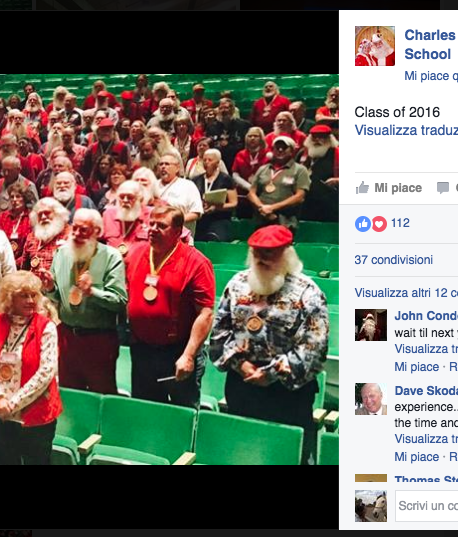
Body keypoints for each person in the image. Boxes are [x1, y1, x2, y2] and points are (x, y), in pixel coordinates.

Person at [209, 225, 329, 463]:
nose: (261, 259)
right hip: (242, 384)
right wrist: (240, 363)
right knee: (243, 453)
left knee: (285, 457)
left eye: (269, 253)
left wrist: (271, 373)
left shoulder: (308, 292)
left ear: (286, 253)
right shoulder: (237, 285)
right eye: (257, 253)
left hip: (287, 391)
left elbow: (315, 348)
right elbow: (219, 334)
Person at [124, 206, 215, 407]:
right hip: (142, 351)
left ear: (178, 231)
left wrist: (189, 355)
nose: (153, 229)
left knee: (181, 416)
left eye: (161, 226)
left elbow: (206, 314)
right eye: (151, 224)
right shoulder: (136, 253)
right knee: (145, 411)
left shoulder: (196, 262)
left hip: (177, 352)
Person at [0, 271, 61, 465]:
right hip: (1, 413)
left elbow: (46, 372)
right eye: (24, 295)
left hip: (36, 416)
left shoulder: (46, 327)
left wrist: (12, 405)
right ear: (9, 298)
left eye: (34, 295)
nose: (30, 300)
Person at [45, 208, 126, 395]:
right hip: (67, 337)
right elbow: (58, 298)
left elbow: (120, 301)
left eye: (84, 230)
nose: (76, 235)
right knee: (69, 395)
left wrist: (92, 292)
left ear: (97, 232)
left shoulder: (111, 257)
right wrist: (49, 288)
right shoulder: (62, 253)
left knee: (101, 396)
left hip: (98, 340)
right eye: (75, 229)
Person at [247, 136, 310, 230]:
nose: (280, 150)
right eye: (277, 147)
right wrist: (263, 208)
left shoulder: (300, 170)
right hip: (261, 219)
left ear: (292, 151)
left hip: (285, 221)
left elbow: (299, 196)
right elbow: (251, 193)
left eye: (284, 147)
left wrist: (273, 208)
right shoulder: (263, 169)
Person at [191, 148, 238, 242]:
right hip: (201, 220)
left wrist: (216, 207)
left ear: (217, 163)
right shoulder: (196, 180)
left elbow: (234, 203)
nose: (206, 162)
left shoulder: (226, 179)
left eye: (210, 160)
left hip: (220, 219)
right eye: (204, 160)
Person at [101, 181, 150, 258]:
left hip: (139, 266)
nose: (125, 200)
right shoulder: (108, 214)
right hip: (113, 265)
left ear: (140, 199)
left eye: (130, 197)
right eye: (122, 197)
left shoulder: (150, 216)